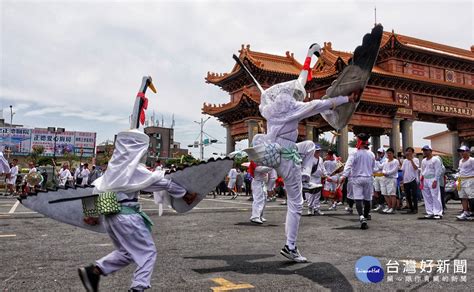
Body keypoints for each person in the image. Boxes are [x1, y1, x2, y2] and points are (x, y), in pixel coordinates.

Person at [78, 129, 197, 292]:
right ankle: (137, 288)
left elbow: (96, 187)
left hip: (111, 217)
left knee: (127, 252)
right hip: (127, 217)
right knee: (147, 253)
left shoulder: (113, 168)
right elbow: (161, 183)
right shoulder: (134, 169)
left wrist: (91, 213)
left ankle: (94, 271)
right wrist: (185, 194)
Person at [340, 133, 375, 230]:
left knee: (358, 198)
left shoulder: (354, 152)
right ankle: (366, 215)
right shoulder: (371, 154)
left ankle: (361, 217)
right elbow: (373, 167)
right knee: (368, 199)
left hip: (356, 178)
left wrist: (344, 176)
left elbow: (348, 165)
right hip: (368, 178)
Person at [420, 145, 443, 219]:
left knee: (435, 196)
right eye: (424, 150)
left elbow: (438, 171)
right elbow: (422, 171)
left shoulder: (435, 159)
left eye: (426, 150)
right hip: (425, 179)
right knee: (427, 197)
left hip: (433, 179)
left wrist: (435, 180)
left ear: (430, 151)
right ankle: (430, 212)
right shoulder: (423, 160)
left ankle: (438, 213)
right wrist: (421, 180)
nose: (425, 152)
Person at [306, 144, 326, 216]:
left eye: (319, 151)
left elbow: (323, 168)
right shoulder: (310, 159)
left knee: (317, 194)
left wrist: (326, 175)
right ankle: (310, 208)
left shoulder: (320, 159)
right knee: (311, 194)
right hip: (312, 178)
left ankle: (316, 209)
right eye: (317, 151)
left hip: (319, 178)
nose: (318, 152)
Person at [456, 145, 474, 221]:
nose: (461, 153)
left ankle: (472, 213)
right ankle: (466, 212)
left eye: (463, 151)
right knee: (463, 197)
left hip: (470, 180)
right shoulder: (460, 161)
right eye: (460, 151)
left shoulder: (472, 160)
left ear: (468, 152)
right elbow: (460, 170)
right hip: (461, 180)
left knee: (472, 197)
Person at [401, 147, 420, 214]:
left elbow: (416, 168)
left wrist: (411, 160)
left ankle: (415, 208)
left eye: (409, 151)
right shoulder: (405, 161)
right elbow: (403, 170)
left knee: (414, 195)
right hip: (406, 180)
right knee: (407, 195)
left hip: (413, 179)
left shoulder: (416, 159)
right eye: (407, 151)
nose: (408, 152)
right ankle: (410, 208)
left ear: (412, 152)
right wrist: (403, 180)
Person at [380, 148, 399, 214]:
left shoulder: (395, 161)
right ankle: (389, 206)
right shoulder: (385, 161)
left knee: (392, 194)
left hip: (392, 179)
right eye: (387, 153)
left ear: (393, 154)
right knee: (385, 193)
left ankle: (392, 208)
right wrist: (384, 172)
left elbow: (394, 170)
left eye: (390, 153)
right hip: (384, 178)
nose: (388, 154)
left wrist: (386, 173)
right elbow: (383, 169)